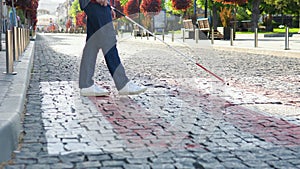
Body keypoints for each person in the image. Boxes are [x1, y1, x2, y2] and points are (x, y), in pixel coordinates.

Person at [79, 0, 146, 96]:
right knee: (108, 41)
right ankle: (123, 84)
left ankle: (86, 85)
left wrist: (109, 5)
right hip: (95, 3)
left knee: (92, 43)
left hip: (96, 4)